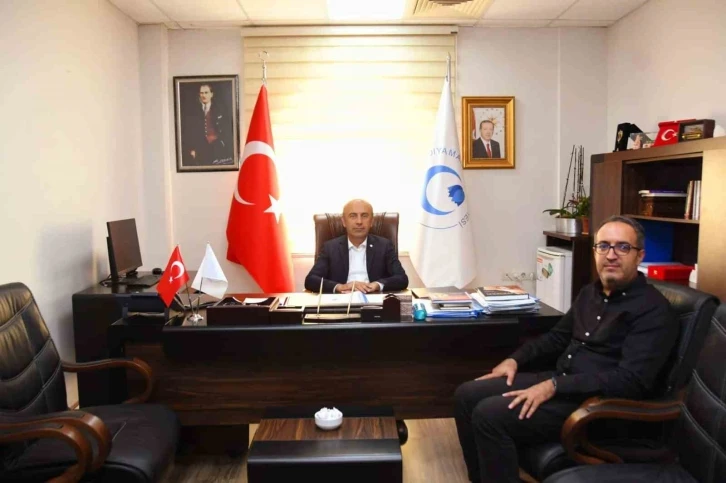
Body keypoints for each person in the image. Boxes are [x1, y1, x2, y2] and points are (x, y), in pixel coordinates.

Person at [454, 215, 678, 483]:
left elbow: (631, 381)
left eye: (622, 247)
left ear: (639, 255)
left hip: (597, 406)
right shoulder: (590, 293)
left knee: (489, 415)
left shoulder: (654, 310)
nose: (611, 255)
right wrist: (515, 360)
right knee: (467, 394)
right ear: (595, 252)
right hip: (561, 383)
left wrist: (554, 386)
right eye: (603, 246)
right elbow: (557, 338)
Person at [304, 199, 409, 294]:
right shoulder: (330, 247)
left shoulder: (384, 245)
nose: (359, 222)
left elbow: (402, 278)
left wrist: (377, 285)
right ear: (344, 221)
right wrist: (340, 287)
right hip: (342, 301)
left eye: (364, 216)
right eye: (353, 216)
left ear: (371, 221)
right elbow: (311, 280)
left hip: (373, 300)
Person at [182, 83, 234, 166]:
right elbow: (189, 131)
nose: (204, 95)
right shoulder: (193, 111)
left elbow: (227, 129)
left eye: (206, 92)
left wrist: (223, 143)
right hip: (200, 147)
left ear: (211, 94)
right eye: (201, 93)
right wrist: (192, 149)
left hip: (217, 145)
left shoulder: (220, 109)